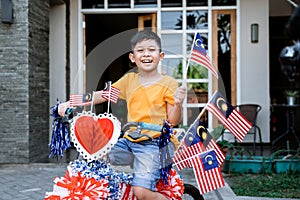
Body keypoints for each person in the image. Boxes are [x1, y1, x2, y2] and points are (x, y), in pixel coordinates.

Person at [58, 30, 186, 200]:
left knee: (141, 192)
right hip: (129, 141)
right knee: (97, 155)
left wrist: (177, 103)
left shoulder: (169, 83)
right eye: (140, 50)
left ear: (160, 56)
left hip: (154, 144)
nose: (146, 54)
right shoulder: (129, 80)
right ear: (133, 58)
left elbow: (173, 120)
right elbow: (102, 95)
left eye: (151, 50)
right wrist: (71, 102)